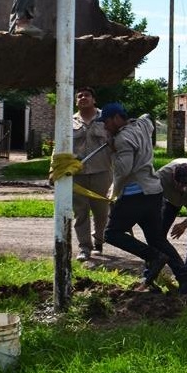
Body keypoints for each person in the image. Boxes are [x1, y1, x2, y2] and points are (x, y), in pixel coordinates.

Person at [98, 103, 187, 297]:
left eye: (107, 122)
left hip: (135, 194)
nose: (105, 127)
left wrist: (113, 148)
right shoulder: (141, 125)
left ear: (117, 118)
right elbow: (148, 119)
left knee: (111, 234)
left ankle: (153, 257)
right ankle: (185, 279)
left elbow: (124, 170)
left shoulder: (122, 139)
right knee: (157, 239)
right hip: (153, 193)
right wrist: (141, 117)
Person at [71, 87, 112, 262]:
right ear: (76, 101)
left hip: (101, 172)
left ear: (94, 99)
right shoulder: (69, 121)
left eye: (87, 95)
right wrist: (53, 169)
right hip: (77, 174)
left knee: (101, 212)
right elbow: (59, 147)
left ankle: (99, 241)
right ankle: (84, 248)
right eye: (79, 96)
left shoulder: (106, 119)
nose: (83, 98)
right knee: (80, 213)